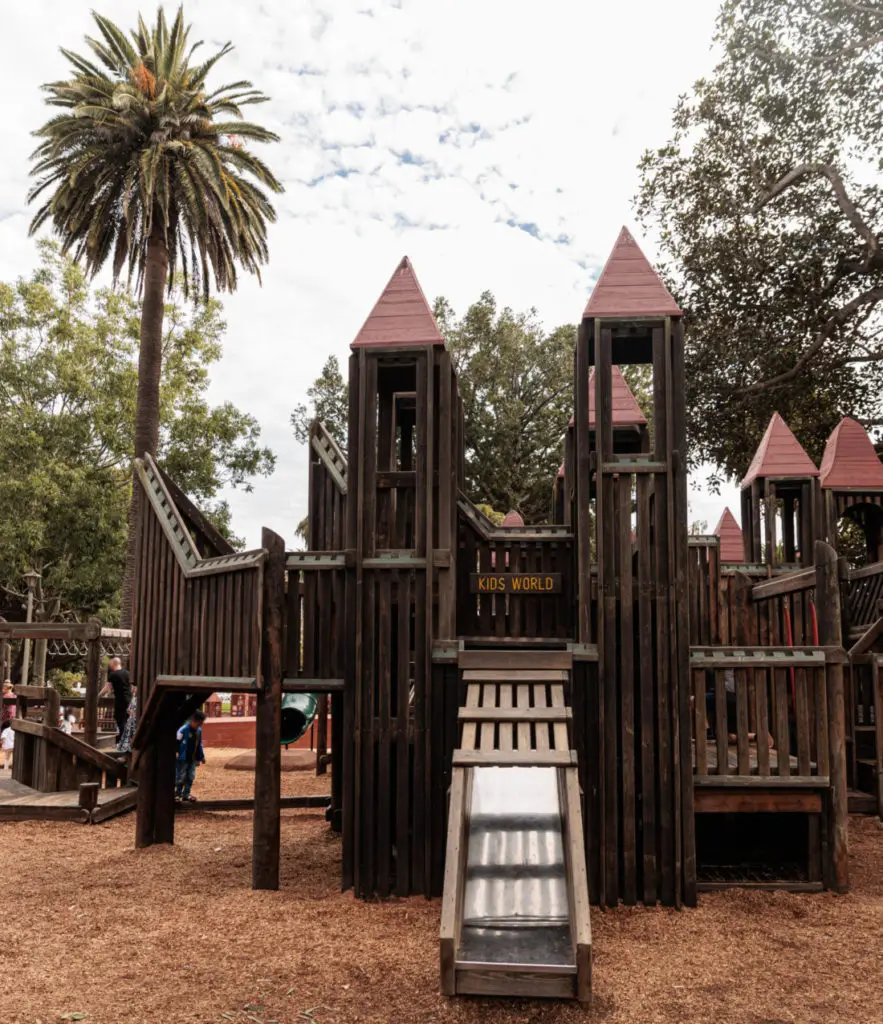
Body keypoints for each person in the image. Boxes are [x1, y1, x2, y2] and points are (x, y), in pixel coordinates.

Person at [175, 710, 206, 802]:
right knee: (181, 775)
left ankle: (186, 793)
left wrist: (201, 757)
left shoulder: (198, 731)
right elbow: (176, 742)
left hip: (192, 758)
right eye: (198, 723)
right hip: (182, 758)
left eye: (200, 724)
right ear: (193, 721)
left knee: (190, 776)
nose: (199, 726)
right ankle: (177, 794)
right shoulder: (183, 729)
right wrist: (176, 752)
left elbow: (199, 744)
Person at [101, 658, 132, 741]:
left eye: (111, 664)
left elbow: (107, 689)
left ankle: (122, 739)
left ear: (113, 664)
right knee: (127, 720)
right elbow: (133, 687)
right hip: (129, 700)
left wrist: (99, 695)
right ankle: (127, 740)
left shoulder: (112, 675)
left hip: (120, 701)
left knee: (119, 719)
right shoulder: (128, 673)